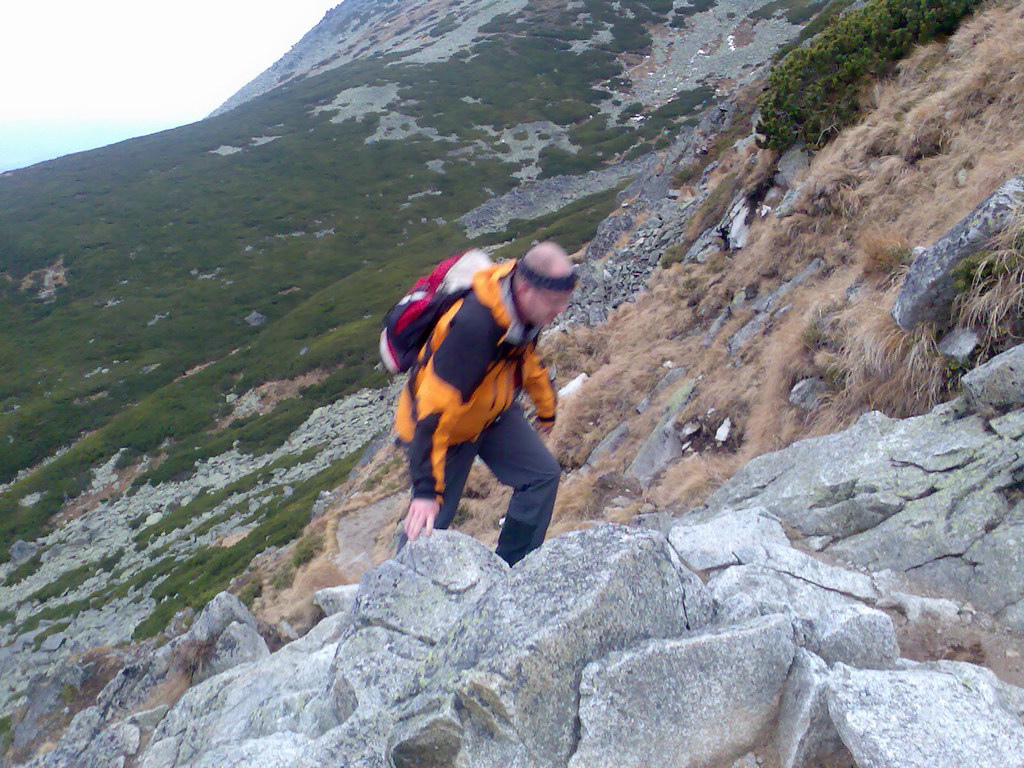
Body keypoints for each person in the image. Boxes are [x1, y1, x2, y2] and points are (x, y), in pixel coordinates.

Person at [394, 241, 576, 566]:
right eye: (554, 301)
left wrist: (546, 409)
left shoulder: (523, 311)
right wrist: (424, 490)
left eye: (564, 301)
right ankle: (395, 593)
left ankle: (513, 568)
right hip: (444, 433)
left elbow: (527, 360)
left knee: (542, 476)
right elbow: (433, 411)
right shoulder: (474, 327)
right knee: (430, 519)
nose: (560, 309)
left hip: (491, 415)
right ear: (525, 288)